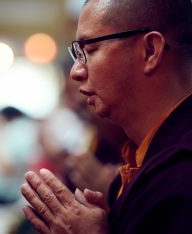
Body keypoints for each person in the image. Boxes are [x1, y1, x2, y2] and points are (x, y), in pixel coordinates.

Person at [20, 0, 192, 233]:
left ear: (150, 50)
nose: (76, 71)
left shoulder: (182, 173)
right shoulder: (143, 160)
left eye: (89, 50)